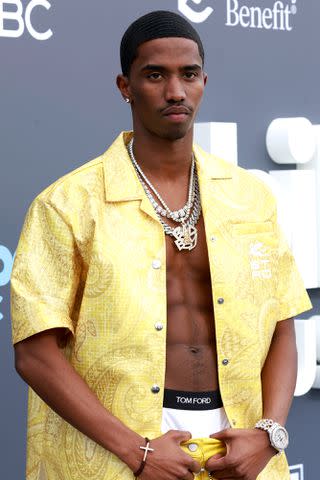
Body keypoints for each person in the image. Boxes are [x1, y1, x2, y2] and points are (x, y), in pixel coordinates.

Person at [11, 10, 311, 480]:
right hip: (119, 447)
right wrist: (137, 451)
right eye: (155, 75)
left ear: (204, 81)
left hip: (239, 448)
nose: (175, 91)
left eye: (188, 74)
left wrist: (269, 434)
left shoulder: (249, 196)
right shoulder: (67, 203)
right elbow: (35, 353)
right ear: (124, 86)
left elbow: (281, 323)